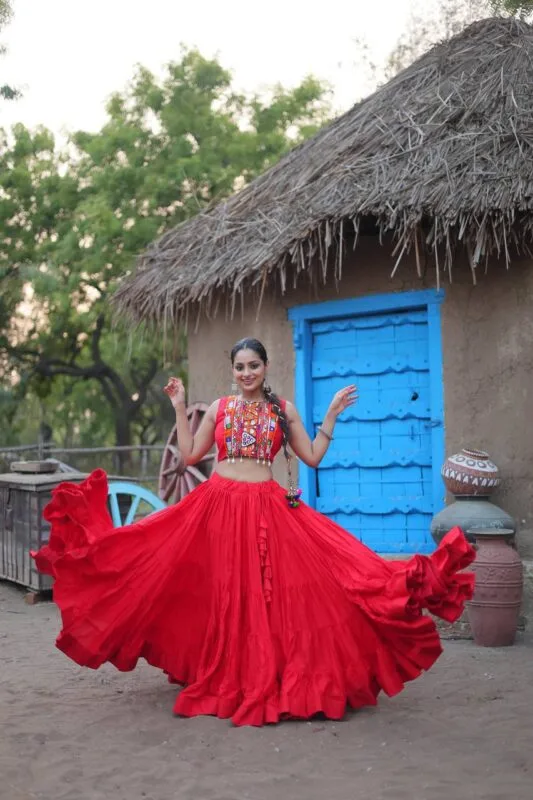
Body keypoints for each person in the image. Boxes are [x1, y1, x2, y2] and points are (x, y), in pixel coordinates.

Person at [33, 337, 475, 727]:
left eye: (254, 365)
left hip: (267, 508)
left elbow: (313, 456)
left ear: (266, 368)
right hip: (219, 506)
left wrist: (334, 415)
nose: (247, 373)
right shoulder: (222, 409)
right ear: (233, 371)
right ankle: (227, 670)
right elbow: (188, 456)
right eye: (240, 367)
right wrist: (178, 405)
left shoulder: (283, 410)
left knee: (292, 588)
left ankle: (278, 671)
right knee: (220, 589)